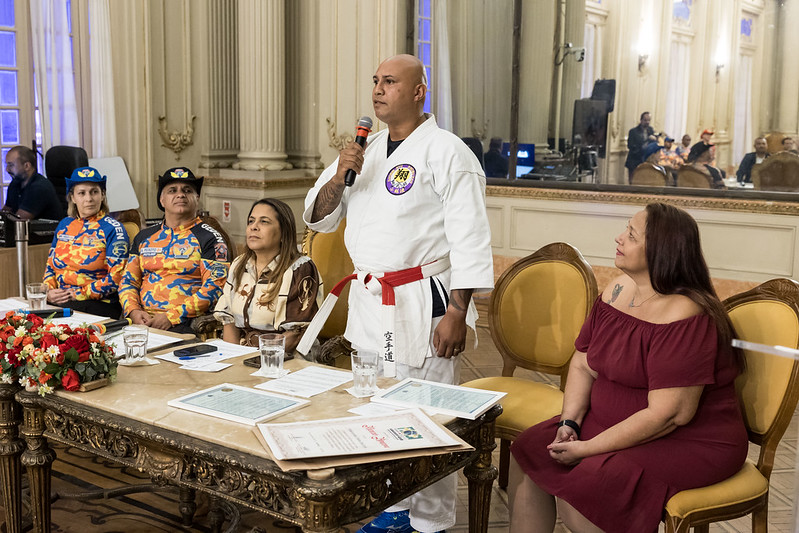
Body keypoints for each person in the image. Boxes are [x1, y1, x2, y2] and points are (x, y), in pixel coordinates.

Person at [302, 54, 493, 533]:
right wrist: (340, 173)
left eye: (389, 81)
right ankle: (393, 507)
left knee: (428, 411)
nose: (378, 89)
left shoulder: (448, 152)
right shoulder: (361, 151)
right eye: (375, 81)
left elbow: (470, 240)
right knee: (378, 406)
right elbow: (318, 217)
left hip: (423, 301)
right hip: (371, 300)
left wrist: (457, 313)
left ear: (418, 92)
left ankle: (430, 520)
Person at [508, 202, 748, 533]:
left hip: (687, 440)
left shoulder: (685, 315)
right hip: (611, 423)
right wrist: (569, 422)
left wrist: (587, 448)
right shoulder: (617, 291)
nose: (619, 238)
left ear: (661, 251)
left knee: (586, 490)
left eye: (632, 235)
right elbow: (582, 363)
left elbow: (669, 415)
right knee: (530, 452)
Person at [119, 167, 230, 333]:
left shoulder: (210, 238)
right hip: (141, 321)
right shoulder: (144, 237)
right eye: (172, 190)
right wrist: (133, 311)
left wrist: (172, 317)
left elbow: (214, 288)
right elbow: (128, 281)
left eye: (187, 190)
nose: (181, 195)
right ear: (162, 200)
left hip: (183, 323)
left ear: (197, 198)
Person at [213, 198, 323, 352]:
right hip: (243, 352)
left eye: (264, 222)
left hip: (285, 356)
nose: (254, 227)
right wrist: (234, 357)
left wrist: (257, 360)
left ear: (284, 233)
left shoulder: (300, 269)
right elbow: (229, 321)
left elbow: (296, 335)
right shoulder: (239, 265)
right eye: (251, 221)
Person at [43, 167, 129, 319]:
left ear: (102, 195)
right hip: (61, 301)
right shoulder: (64, 225)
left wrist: (78, 294)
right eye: (82, 193)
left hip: (98, 303)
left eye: (94, 192)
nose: (89, 199)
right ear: (73, 197)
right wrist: (48, 292)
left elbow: (117, 277)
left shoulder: (113, 229)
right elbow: (50, 266)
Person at [2, 146, 65, 221]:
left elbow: (19, 220)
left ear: (27, 166)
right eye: (7, 165)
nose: (7, 169)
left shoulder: (39, 187)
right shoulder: (15, 184)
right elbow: (5, 212)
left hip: (47, 228)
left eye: (11, 165)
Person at [624, 112, 656, 183]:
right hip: (634, 161)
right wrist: (646, 141)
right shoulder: (633, 131)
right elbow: (630, 146)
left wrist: (655, 139)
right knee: (633, 181)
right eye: (645, 120)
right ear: (641, 120)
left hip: (646, 161)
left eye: (649, 120)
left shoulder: (650, 130)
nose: (647, 122)